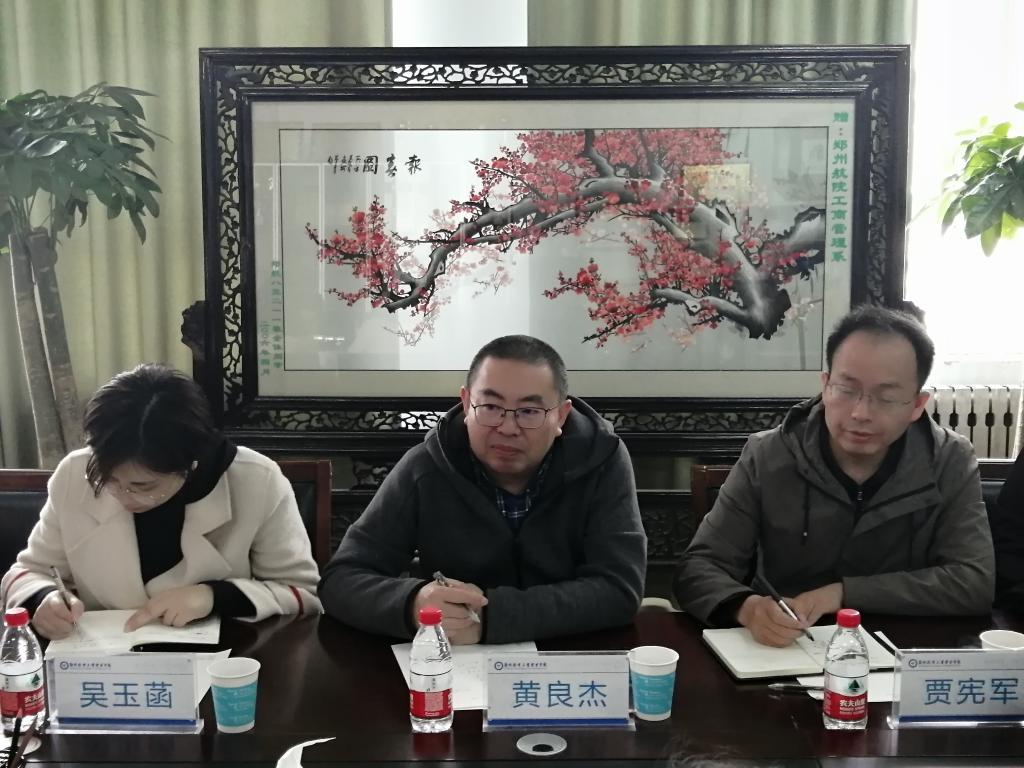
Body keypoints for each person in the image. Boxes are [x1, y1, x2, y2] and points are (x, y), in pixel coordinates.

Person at [674, 305, 995, 647]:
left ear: (917, 404)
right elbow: (699, 567)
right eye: (846, 389)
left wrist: (843, 593)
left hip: (901, 647)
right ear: (826, 386)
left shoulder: (948, 459)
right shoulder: (768, 454)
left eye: (886, 398)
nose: (861, 413)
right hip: (787, 647)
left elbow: (973, 582)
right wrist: (747, 608)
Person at [319, 335, 647, 644]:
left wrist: (490, 619)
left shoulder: (600, 460)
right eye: (490, 407)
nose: (507, 428)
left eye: (529, 412)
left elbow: (620, 590)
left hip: (571, 656)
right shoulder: (427, 466)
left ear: (561, 417)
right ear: (466, 404)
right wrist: (413, 604)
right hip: (456, 663)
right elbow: (342, 580)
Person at [1, 365, 322, 639]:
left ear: (190, 465)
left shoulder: (255, 482)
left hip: (227, 662)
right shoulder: (74, 474)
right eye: (111, 480)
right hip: (102, 664)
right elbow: (27, 572)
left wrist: (214, 596)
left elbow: (301, 594)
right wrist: (42, 598)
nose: (123, 497)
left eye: (143, 486)